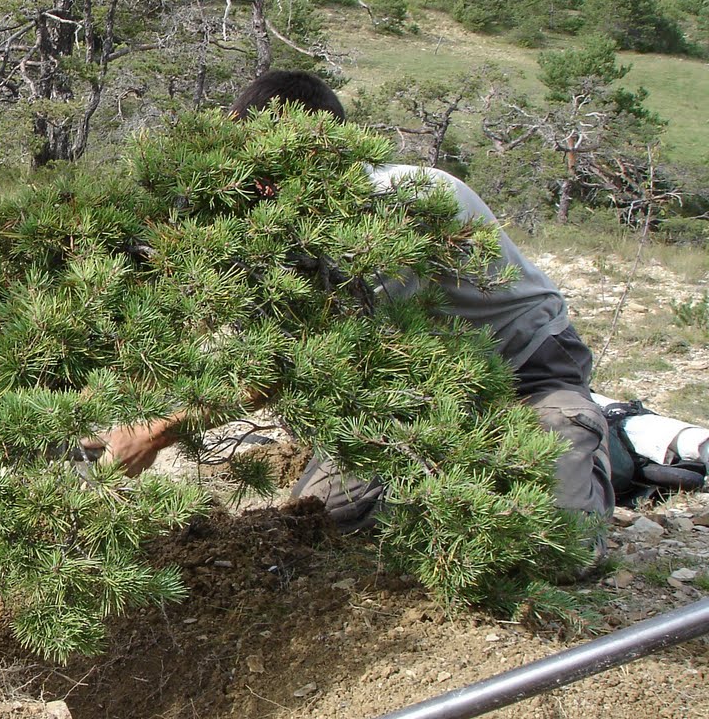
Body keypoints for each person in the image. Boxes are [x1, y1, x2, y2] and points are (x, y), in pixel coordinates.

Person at [102, 70, 614, 530]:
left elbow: (281, 370)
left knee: (554, 544)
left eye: (251, 164)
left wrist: (154, 432)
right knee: (326, 526)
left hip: (525, 372)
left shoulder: (406, 205)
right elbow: (242, 343)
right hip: (400, 398)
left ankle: (602, 437)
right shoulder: (277, 230)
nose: (240, 184)